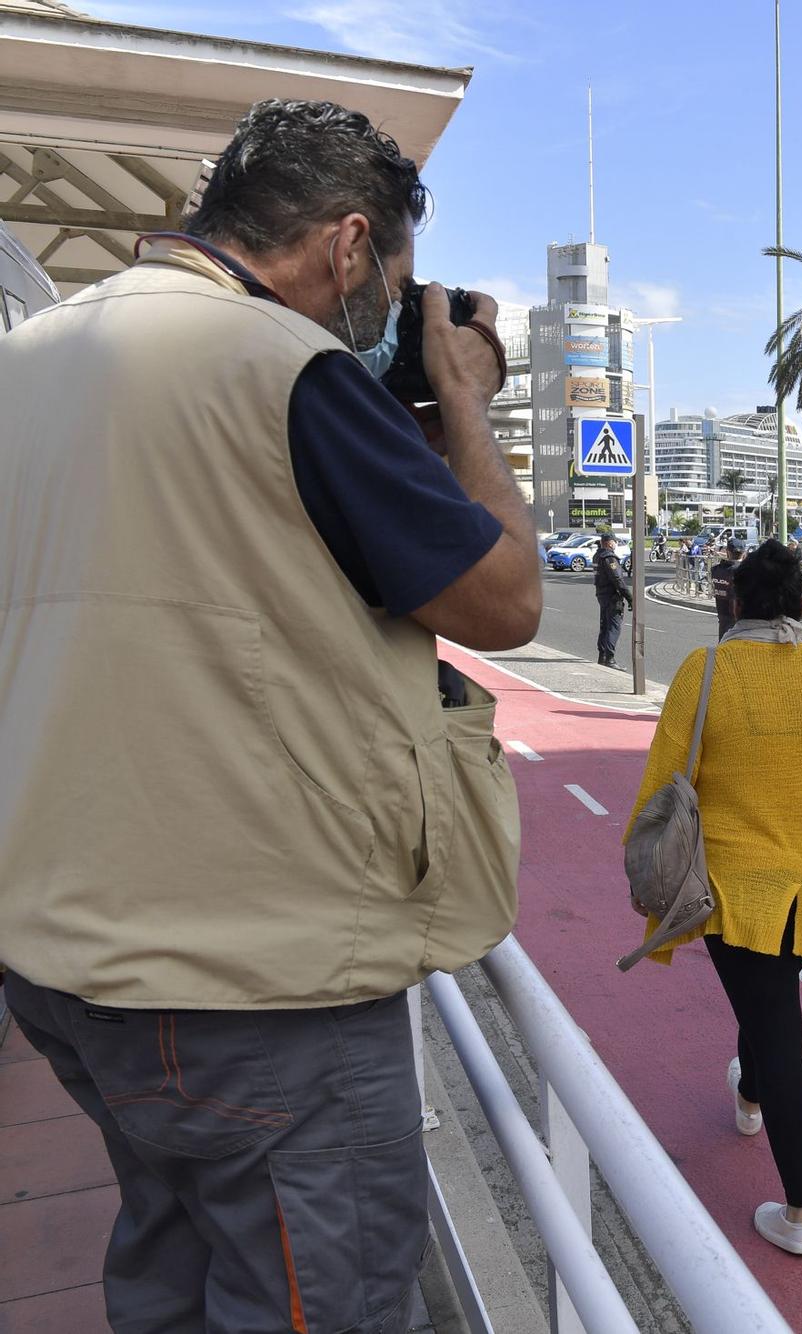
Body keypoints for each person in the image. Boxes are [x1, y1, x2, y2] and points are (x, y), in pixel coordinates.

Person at [0, 98, 537, 1330]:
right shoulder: (277, 364)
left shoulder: (33, 357)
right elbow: (501, 598)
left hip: (64, 952)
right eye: (394, 284)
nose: (393, 313)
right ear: (349, 246)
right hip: (249, 985)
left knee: (172, 1273)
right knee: (322, 1298)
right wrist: (461, 396)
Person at [626, 540, 802, 1257]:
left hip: (735, 885)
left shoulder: (706, 668)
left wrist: (642, 869)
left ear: (736, 602)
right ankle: (748, 1095)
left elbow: (663, 777)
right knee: (769, 993)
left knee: (777, 1030)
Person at [593, 534, 633, 666]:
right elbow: (617, 579)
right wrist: (629, 597)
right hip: (612, 596)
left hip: (601, 594)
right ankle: (609, 659)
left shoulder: (597, 556)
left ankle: (602, 656)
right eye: (615, 542)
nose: (615, 544)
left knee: (604, 625)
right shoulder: (609, 557)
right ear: (610, 543)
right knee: (613, 626)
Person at [710, 538, 744, 639]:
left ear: (727, 551)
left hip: (722, 617)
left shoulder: (716, 570)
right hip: (740, 621)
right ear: (744, 552)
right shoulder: (743, 570)